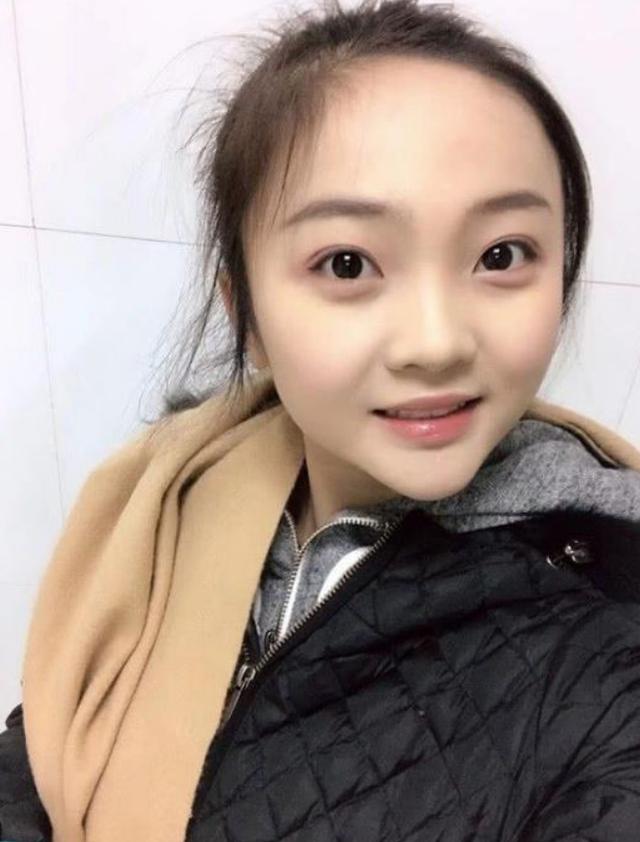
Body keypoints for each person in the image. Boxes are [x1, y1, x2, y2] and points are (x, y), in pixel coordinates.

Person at [2, 0, 640, 840]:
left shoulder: (604, 633)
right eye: (347, 264)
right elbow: (39, 752)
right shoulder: (162, 507)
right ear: (247, 315)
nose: (437, 343)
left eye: (501, 255)